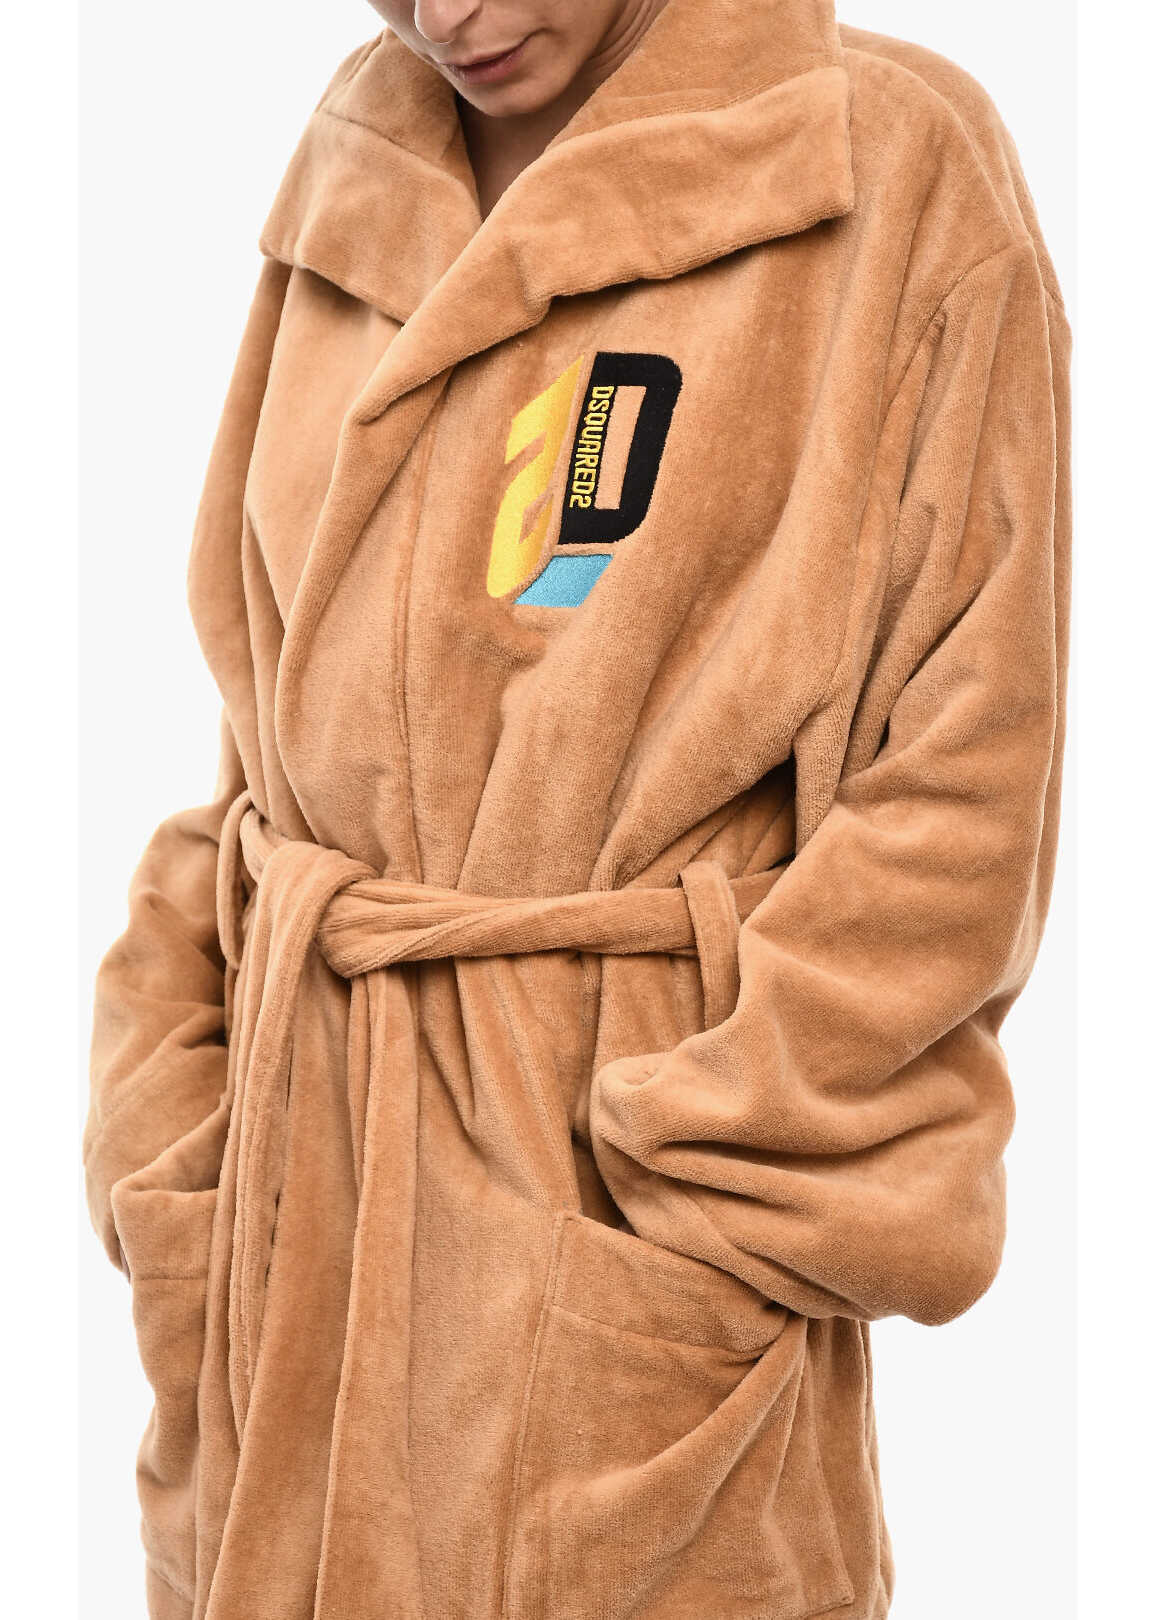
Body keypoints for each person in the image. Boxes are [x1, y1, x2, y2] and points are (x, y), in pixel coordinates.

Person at [82, 1, 1071, 1616]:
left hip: (615, 1257)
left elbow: (963, 778)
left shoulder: (880, 162)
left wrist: (706, 1171)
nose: (447, 17)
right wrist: (172, 1116)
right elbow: (268, 705)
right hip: (286, 1239)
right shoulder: (367, 146)